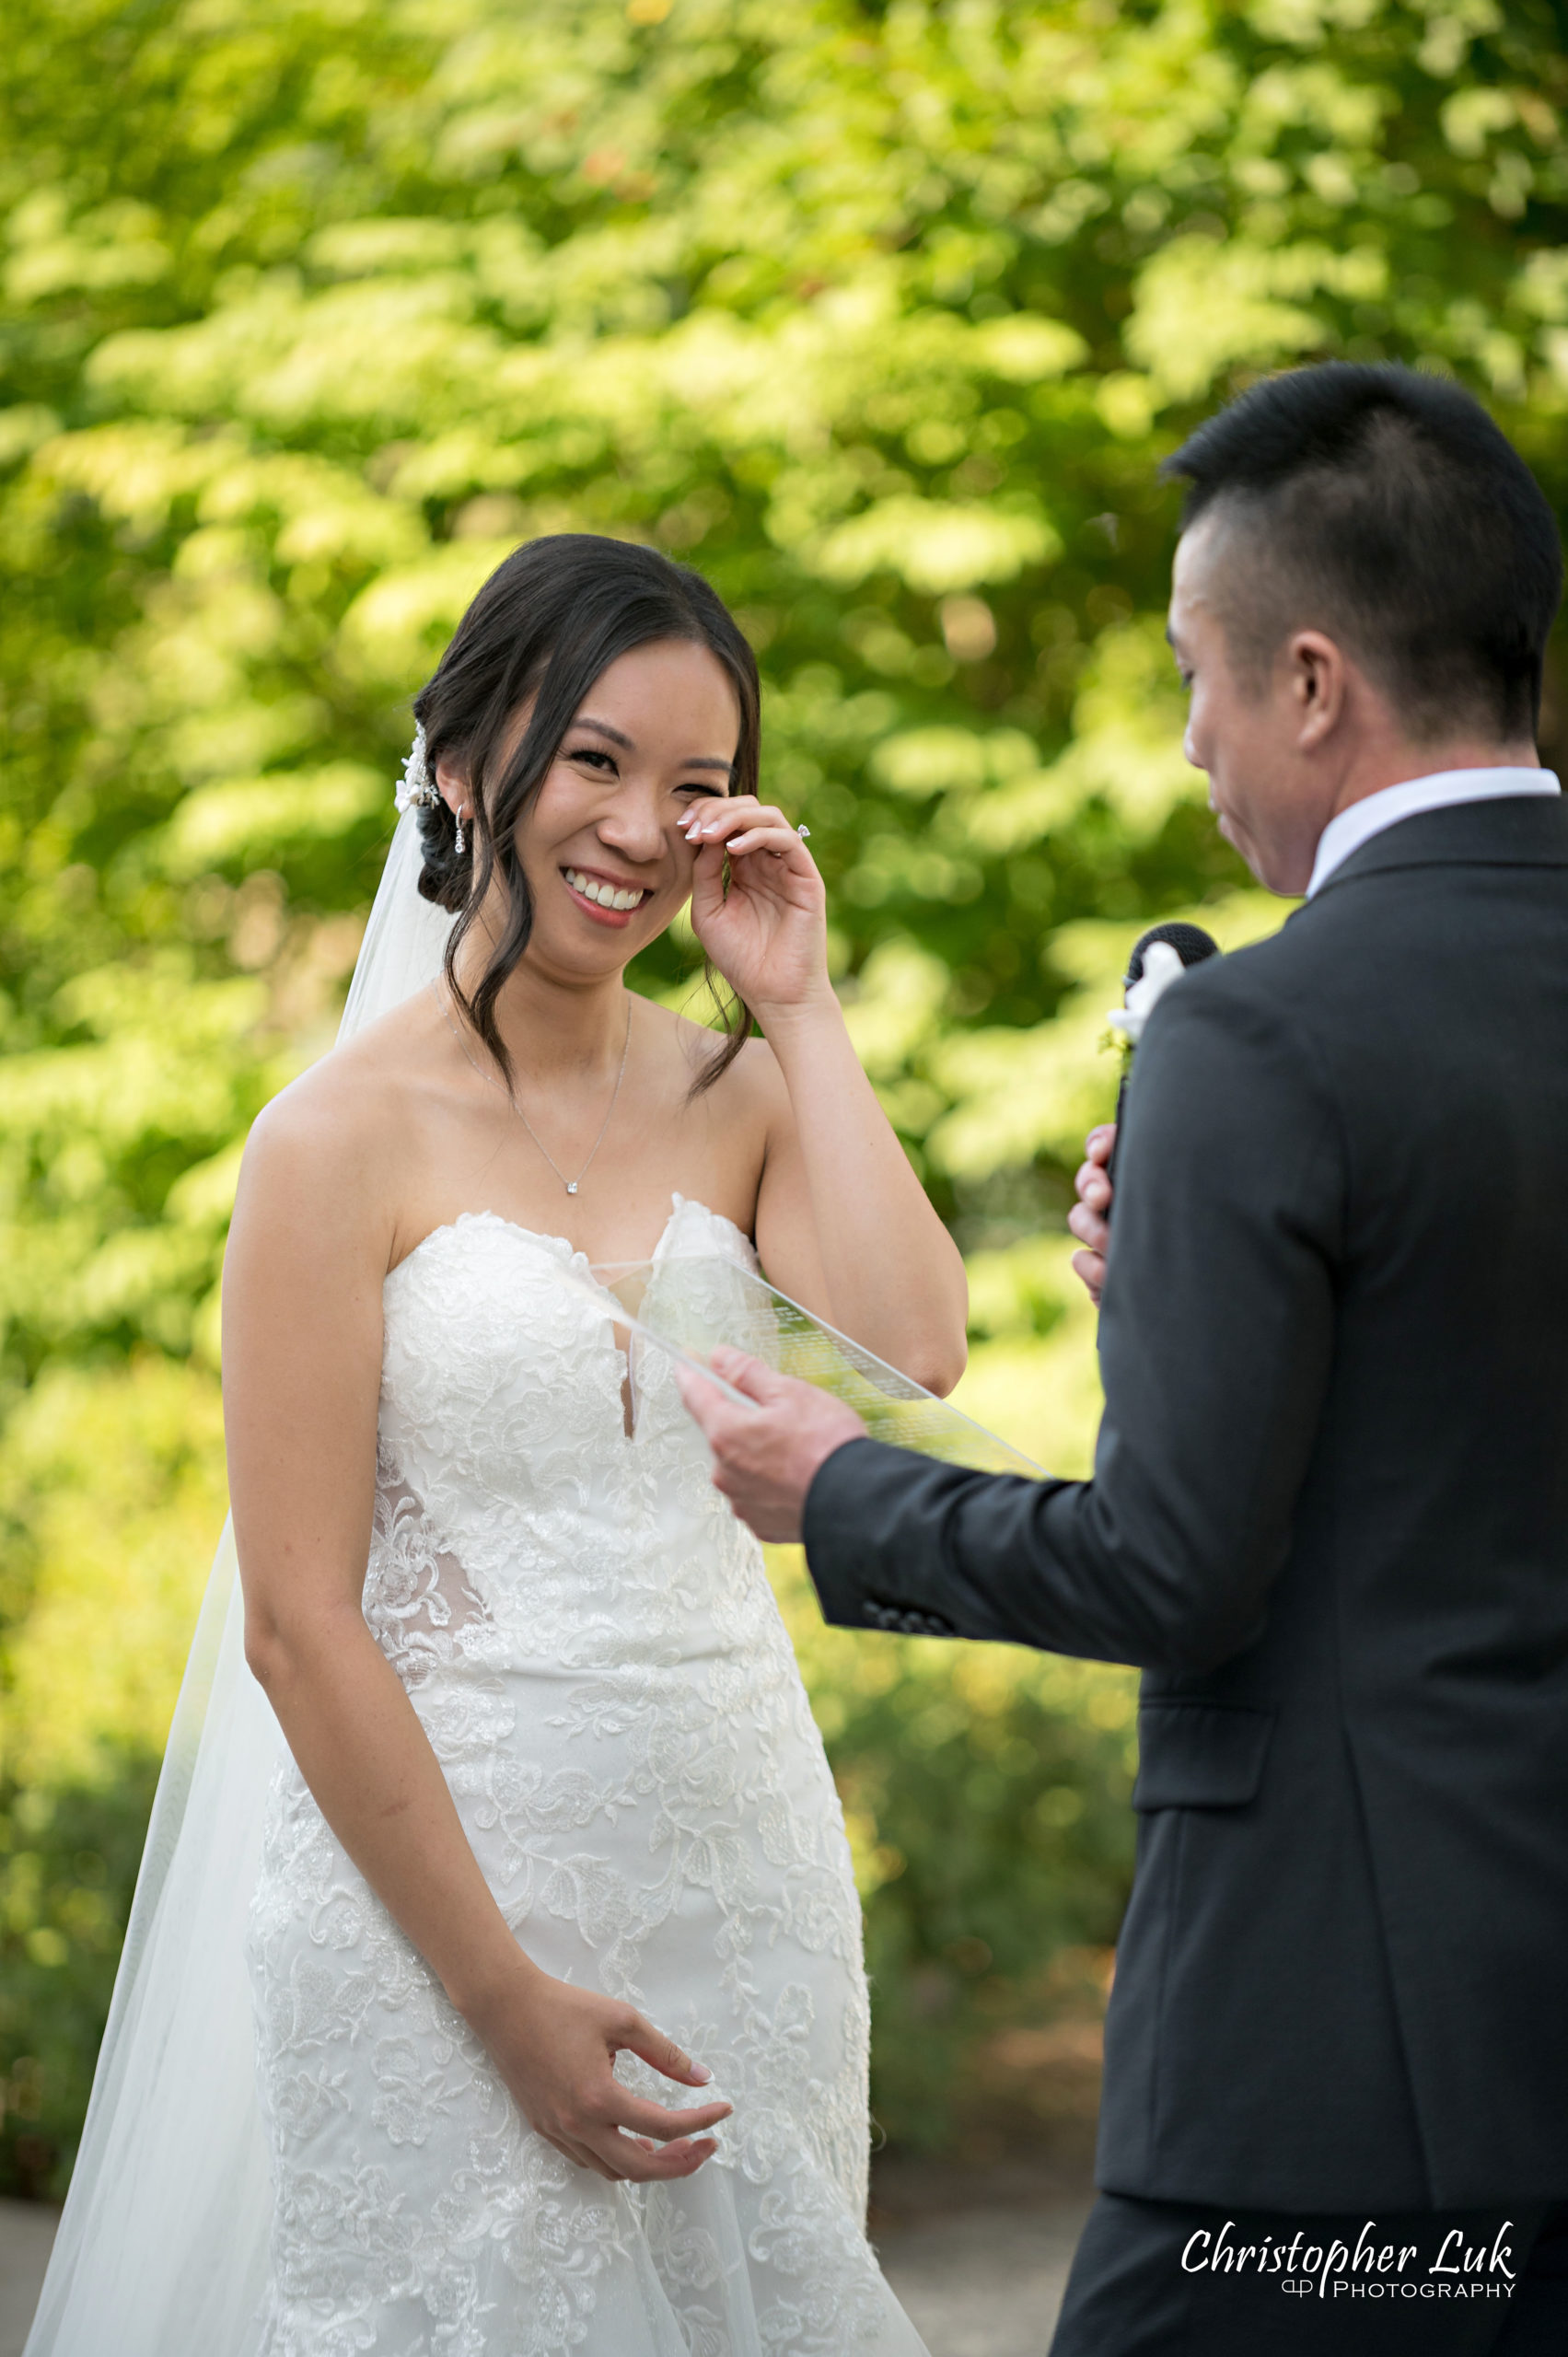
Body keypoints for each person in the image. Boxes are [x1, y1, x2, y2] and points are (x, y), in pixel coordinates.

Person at [679, 365, 1568, 2352]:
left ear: (1313, 682)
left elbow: (1175, 1566)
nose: (1189, 742)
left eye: (1199, 677)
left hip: (1334, 2082)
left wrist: (842, 1487)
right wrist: (1184, 1296)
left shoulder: (1256, 1037)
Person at [27, 534, 965, 2357]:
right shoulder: (331, 1143)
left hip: (742, 1875)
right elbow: (300, 1619)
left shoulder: (737, 1091)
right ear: (465, 767)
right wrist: (505, 1996)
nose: (637, 826)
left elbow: (909, 1348)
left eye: (697, 786)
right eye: (595, 759)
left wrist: (803, 1001)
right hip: (441, 1921)